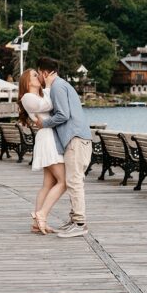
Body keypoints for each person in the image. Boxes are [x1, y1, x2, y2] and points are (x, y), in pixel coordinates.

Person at [33, 57, 92, 238]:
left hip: (75, 139)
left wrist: (45, 123)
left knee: (74, 182)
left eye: (38, 74)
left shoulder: (57, 86)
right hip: (77, 139)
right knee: (73, 180)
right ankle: (74, 220)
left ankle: (80, 223)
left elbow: (63, 114)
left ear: (44, 72)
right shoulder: (63, 85)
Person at [18, 68, 66, 235]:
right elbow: (51, 104)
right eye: (34, 75)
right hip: (47, 139)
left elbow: (54, 98)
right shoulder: (27, 98)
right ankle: (41, 214)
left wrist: (50, 85)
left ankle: (36, 224)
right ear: (27, 81)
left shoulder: (42, 93)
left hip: (50, 137)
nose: (38, 77)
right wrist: (50, 86)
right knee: (64, 181)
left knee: (48, 184)